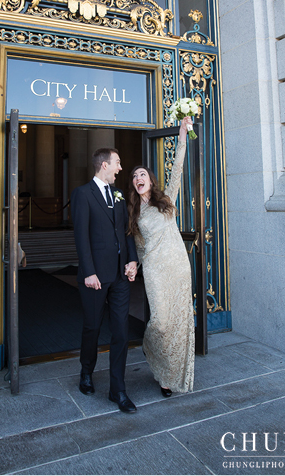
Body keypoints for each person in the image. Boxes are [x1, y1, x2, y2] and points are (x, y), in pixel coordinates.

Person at [127, 116, 195, 397]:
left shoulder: (166, 200)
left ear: (150, 180)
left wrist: (182, 136)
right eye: (134, 176)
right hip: (155, 270)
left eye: (142, 174)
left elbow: (177, 169)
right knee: (161, 322)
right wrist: (134, 266)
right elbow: (140, 249)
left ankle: (168, 377)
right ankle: (150, 349)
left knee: (180, 323)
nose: (138, 178)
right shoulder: (133, 214)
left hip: (178, 265)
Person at [70, 147, 139, 414]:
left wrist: (132, 260)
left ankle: (118, 390)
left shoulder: (119, 195)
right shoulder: (82, 194)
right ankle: (86, 372)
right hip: (95, 277)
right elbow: (81, 237)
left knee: (121, 332)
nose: (121, 169)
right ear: (104, 166)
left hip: (120, 276)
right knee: (92, 327)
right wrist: (88, 272)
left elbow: (127, 231)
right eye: (118, 164)